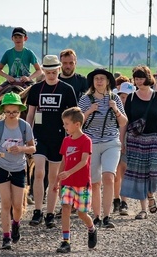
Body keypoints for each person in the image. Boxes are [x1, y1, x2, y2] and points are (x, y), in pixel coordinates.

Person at [26, 55, 78, 228]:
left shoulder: (67, 89)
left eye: (54, 71)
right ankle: (37, 211)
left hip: (59, 137)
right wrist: (27, 134)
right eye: (47, 72)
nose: (51, 74)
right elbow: (31, 114)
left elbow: (73, 115)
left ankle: (50, 213)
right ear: (44, 71)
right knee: (39, 173)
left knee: (54, 177)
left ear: (58, 70)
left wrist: (72, 137)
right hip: (39, 136)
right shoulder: (35, 90)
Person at [120, 66, 157, 220]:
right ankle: (143, 209)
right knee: (139, 174)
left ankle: (151, 196)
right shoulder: (130, 98)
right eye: (136, 78)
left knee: (153, 172)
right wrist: (121, 141)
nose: (139, 81)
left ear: (148, 78)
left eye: (141, 78)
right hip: (135, 140)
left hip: (155, 139)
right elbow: (125, 122)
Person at [78, 68, 128, 228]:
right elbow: (77, 123)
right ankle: (97, 216)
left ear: (108, 82)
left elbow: (123, 122)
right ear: (93, 82)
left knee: (109, 177)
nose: (99, 81)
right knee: (94, 182)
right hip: (90, 143)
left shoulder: (115, 98)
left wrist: (115, 109)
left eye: (102, 78)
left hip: (111, 142)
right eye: (96, 78)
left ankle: (107, 217)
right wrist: (89, 111)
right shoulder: (85, 100)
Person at [0, 92, 36, 249]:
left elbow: (33, 148)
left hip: (19, 168)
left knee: (17, 205)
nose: (11, 115)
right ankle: (6, 237)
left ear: (20, 110)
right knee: (6, 203)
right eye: (8, 112)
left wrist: (21, 148)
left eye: (14, 111)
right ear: (3, 111)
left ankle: (16, 223)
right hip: (1, 167)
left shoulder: (24, 126)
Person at [54, 107, 97, 253]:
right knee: (65, 208)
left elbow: (84, 161)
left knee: (81, 213)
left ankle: (91, 228)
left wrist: (69, 172)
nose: (64, 126)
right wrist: (58, 180)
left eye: (66, 123)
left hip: (82, 184)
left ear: (77, 124)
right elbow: (63, 161)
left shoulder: (86, 140)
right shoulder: (66, 141)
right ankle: (65, 241)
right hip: (67, 183)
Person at [0, 27, 43, 98]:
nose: (18, 39)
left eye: (20, 37)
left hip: (26, 81)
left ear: (25, 38)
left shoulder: (29, 53)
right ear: (12, 38)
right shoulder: (8, 53)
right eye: (15, 37)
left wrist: (29, 78)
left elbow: (39, 70)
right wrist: (7, 77)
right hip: (11, 81)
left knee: (39, 94)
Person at [112, 82, 136, 215]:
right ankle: (116, 199)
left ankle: (123, 201)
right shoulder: (114, 108)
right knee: (115, 172)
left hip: (129, 141)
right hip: (114, 141)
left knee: (124, 171)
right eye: (122, 96)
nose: (124, 99)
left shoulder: (134, 109)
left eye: (127, 96)